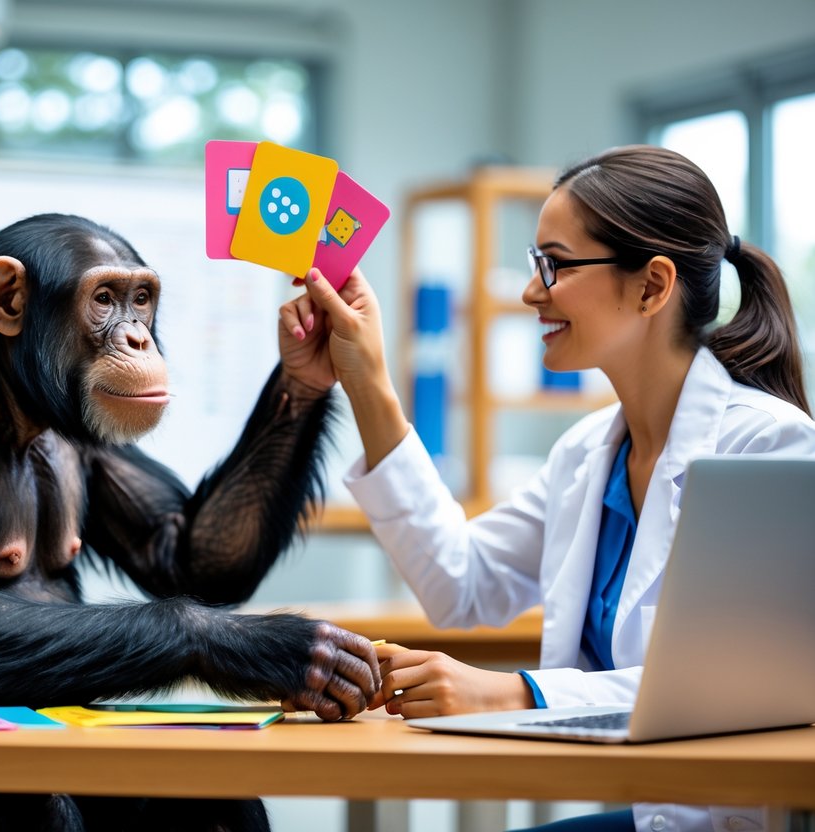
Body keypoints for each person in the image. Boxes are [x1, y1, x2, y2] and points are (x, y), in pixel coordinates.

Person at [279, 145, 815, 832]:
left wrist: (514, 691)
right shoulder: (586, 454)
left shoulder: (768, 445)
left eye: (553, 265)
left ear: (651, 286)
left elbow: (736, 689)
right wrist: (367, 380)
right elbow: (458, 583)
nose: (530, 292)